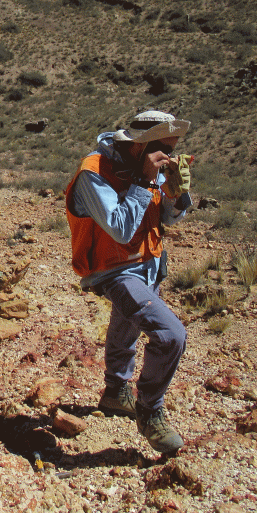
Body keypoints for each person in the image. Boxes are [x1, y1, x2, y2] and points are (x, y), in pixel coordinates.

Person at [65, 110, 193, 454]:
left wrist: (175, 195)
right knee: (170, 335)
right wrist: (146, 180)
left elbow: (165, 217)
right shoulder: (93, 173)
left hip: (147, 264)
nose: (168, 157)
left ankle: (115, 393)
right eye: (163, 149)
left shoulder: (147, 169)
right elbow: (120, 229)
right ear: (141, 146)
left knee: (127, 324)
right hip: (115, 269)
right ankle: (150, 412)